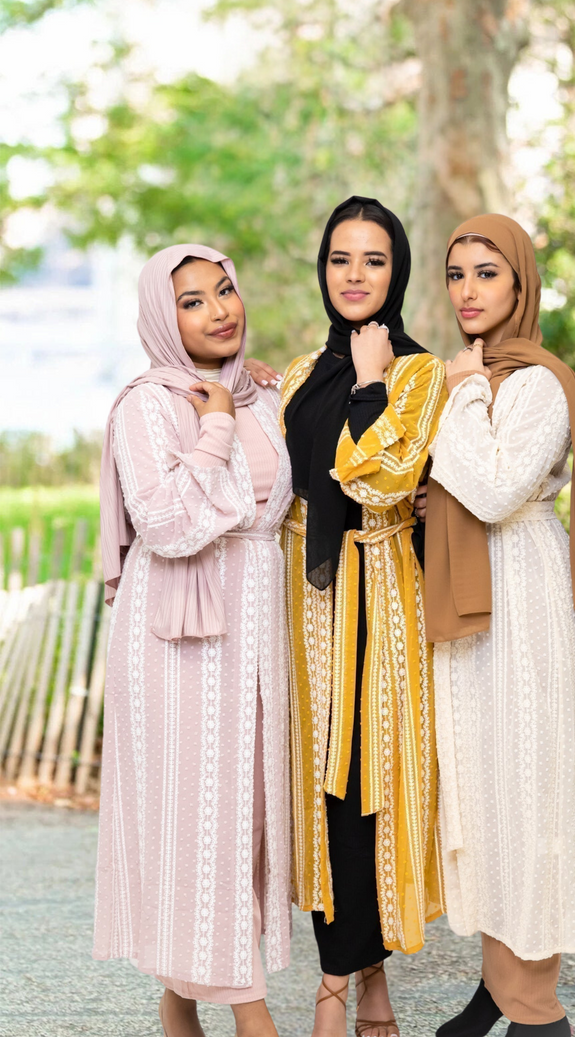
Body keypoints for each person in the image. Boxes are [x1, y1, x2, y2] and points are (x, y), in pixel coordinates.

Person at [416, 215, 575, 1037]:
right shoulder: (472, 374)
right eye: (457, 273)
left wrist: (463, 395)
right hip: (476, 608)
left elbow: (498, 490)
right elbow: (453, 477)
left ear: (521, 285)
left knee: (529, 791)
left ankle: (537, 1013)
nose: (469, 291)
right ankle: (494, 987)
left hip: (528, 602)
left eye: (487, 274)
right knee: (483, 782)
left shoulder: (539, 381)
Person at [93, 244, 293, 1037]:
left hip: (255, 626)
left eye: (225, 290)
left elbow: (284, 507)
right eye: (192, 301)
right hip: (173, 638)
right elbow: (169, 525)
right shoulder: (147, 405)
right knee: (193, 811)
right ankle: (252, 1012)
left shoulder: (264, 396)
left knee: (242, 819)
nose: (219, 310)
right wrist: (213, 427)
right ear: (160, 318)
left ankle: (178, 1006)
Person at [278, 196, 446, 1037]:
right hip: (307, 608)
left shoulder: (417, 372)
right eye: (341, 259)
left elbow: (375, 481)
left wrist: (373, 382)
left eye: (373, 260)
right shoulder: (304, 372)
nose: (354, 276)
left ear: (397, 272)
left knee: (366, 788)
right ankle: (364, 984)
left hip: (378, 598)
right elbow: (286, 488)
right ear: (324, 269)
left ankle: (336, 990)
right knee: (319, 791)